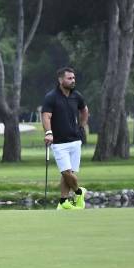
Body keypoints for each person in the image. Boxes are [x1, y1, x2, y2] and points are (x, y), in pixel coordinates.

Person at [40, 67, 90, 210]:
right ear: (60, 80)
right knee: (66, 172)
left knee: (69, 173)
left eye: (73, 78)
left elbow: (84, 110)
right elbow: (46, 116)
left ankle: (63, 202)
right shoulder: (51, 96)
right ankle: (79, 192)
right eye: (69, 78)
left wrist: (82, 126)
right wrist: (48, 132)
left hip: (75, 140)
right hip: (59, 142)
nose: (73, 81)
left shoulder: (76, 95)